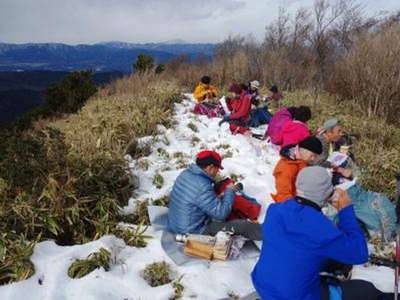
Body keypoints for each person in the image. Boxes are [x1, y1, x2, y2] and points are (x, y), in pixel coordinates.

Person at [252, 166, 370, 300]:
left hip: (262, 284)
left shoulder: (275, 210)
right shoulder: (321, 228)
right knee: (365, 289)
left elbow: (301, 238)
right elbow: (360, 254)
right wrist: (346, 210)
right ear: (327, 193)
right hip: (293, 296)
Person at [168, 150, 262, 240]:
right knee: (242, 226)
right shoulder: (202, 185)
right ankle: (268, 234)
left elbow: (196, 198)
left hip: (175, 224)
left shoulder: (185, 173)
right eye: (217, 169)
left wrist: (218, 197)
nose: (217, 172)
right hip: (192, 232)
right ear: (210, 167)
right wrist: (229, 191)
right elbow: (221, 214)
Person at [272, 136, 323, 203]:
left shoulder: (301, 160)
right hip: (292, 202)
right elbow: (283, 194)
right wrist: (295, 208)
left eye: (315, 157)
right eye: (312, 155)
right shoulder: (287, 167)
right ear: (304, 150)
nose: (313, 159)